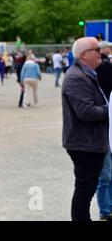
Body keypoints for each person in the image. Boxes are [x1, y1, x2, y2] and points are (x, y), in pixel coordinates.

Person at [62, 37, 109, 221]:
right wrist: (110, 110)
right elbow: (86, 111)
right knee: (84, 189)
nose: (101, 52)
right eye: (96, 49)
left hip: (89, 141)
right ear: (84, 55)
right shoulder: (76, 77)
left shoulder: (86, 74)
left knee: (86, 187)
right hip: (84, 143)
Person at [95, 41, 112, 221]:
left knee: (108, 175)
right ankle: (105, 210)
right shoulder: (101, 69)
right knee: (106, 175)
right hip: (103, 132)